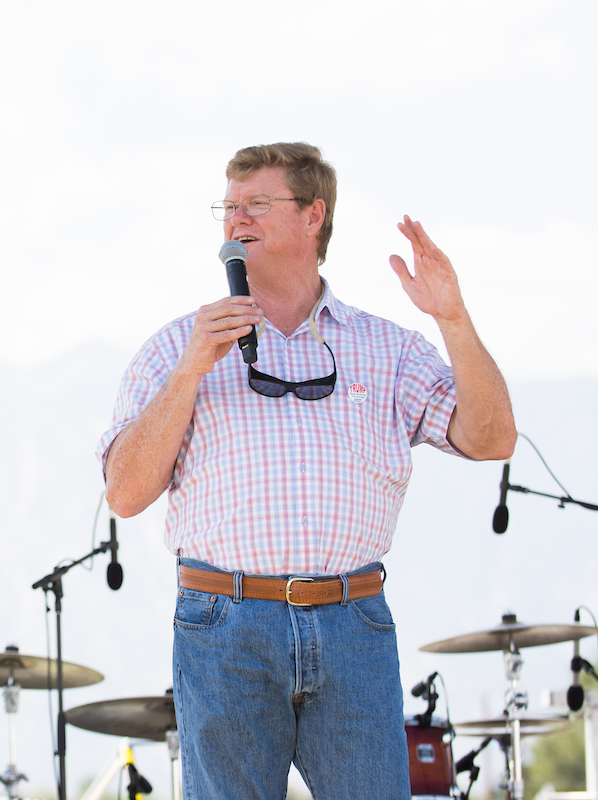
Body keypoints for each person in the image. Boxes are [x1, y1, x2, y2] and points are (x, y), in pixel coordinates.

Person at [95, 142, 515, 800]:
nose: (237, 220)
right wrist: (188, 376)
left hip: (353, 623)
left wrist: (453, 319)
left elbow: (491, 440)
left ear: (313, 215)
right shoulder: (178, 346)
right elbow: (123, 493)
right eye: (228, 207)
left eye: (257, 203)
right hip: (224, 626)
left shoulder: (388, 348)